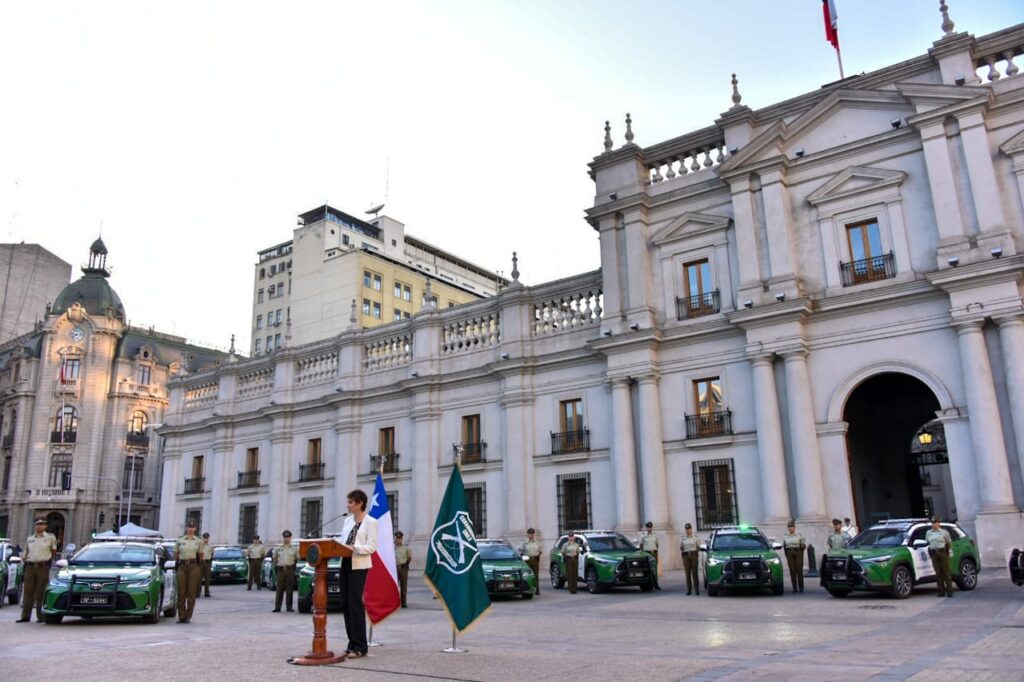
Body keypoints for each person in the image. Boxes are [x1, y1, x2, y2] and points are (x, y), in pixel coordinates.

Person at [338, 488, 378, 659]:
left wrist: (354, 548)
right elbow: (341, 541)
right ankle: (351, 643)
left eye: (350, 502)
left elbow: (372, 546)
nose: (348, 505)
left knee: (355, 604)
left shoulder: (371, 522)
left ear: (360, 503)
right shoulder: (347, 521)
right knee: (346, 603)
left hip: (359, 564)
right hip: (345, 562)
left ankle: (361, 646)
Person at [17, 518, 57, 623]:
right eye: (37, 524)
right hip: (30, 567)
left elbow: (53, 551)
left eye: (41, 524)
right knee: (28, 592)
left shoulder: (50, 538)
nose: (39, 526)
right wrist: (24, 560)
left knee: (41, 592)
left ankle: (41, 616)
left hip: (43, 567)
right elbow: (25, 553)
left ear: (45, 526)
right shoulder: (30, 539)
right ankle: (25, 616)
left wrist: (46, 561)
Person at [174, 520, 204, 623]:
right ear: (186, 528)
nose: (191, 529)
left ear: (195, 529)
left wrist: (198, 567)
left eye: (193, 527)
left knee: (191, 592)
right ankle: (181, 616)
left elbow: (201, 555)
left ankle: (188, 616)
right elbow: (176, 553)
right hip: (182, 566)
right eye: (189, 527)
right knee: (181, 592)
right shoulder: (180, 540)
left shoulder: (199, 541)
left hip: (193, 566)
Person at [926, 517, 954, 598]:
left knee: (946, 572)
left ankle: (950, 590)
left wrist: (950, 551)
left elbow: (949, 542)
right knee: (938, 573)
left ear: (939, 523)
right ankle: (941, 591)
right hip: (934, 553)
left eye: (936, 522)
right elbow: (928, 542)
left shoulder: (944, 532)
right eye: (933, 523)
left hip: (942, 552)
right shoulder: (928, 532)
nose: (934, 524)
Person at [272, 530, 299, 612]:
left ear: (290, 538)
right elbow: (275, 559)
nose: (286, 539)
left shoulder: (294, 549)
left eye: (287, 537)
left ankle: (289, 606)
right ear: (283, 538)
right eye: (285, 537)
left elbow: (297, 559)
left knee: (289, 589)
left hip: (290, 570)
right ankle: (277, 607)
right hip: (280, 570)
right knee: (279, 589)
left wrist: (292, 567)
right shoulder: (278, 549)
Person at [782, 520, 806, 593]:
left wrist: (800, 553)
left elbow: (803, 546)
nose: (790, 528)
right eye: (789, 527)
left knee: (799, 571)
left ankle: (801, 588)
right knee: (792, 571)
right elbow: (784, 546)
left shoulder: (799, 535)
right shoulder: (785, 536)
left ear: (794, 528)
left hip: (798, 552)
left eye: (792, 527)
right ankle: (794, 588)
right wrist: (787, 554)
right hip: (789, 552)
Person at [518, 528, 543, 595]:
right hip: (527, 560)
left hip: (535, 560)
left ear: (534, 534)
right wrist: (523, 556)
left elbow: (540, 550)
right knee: (527, 575)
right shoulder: (524, 542)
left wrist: (538, 556)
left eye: (532, 534)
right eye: (530, 534)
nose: (531, 535)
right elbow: (519, 549)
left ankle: (537, 590)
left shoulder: (537, 542)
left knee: (536, 575)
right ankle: (527, 589)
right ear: (528, 534)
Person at [679, 523, 700, 596]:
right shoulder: (683, 538)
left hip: (694, 556)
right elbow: (681, 547)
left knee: (695, 574)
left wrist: (695, 554)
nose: (688, 530)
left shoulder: (695, 538)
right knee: (687, 574)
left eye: (689, 529)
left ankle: (697, 590)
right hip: (685, 556)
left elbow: (698, 547)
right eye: (686, 529)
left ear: (691, 529)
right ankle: (689, 590)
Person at [639, 521, 661, 590]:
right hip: (647, 554)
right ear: (646, 528)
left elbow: (657, 544)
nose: (649, 529)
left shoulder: (655, 535)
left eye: (650, 527)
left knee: (655, 569)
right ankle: (649, 583)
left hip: (654, 553)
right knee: (648, 569)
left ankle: (656, 584)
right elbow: (641, 545)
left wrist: (653, 550)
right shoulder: (643, 536)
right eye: (648, 527)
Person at [394, 531, 411, 608]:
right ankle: (395, 602)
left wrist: (406, 565)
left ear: (402, 539)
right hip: (394, 569)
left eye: (400, 538)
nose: (398, 540)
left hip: (403, 568)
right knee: (394, 586)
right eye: (397, 538)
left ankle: (403, 603)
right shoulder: (392, 548)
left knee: (404, 586)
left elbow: (409, 557)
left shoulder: (406, 548)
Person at [198, 532, 214, 598]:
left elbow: (212, 554)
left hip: (207, 563)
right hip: (201, 563)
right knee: (199, 579)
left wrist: (210, 562)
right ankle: (197, 593)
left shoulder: (210, 546)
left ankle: (207, 593)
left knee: (207, 579)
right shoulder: (200, 546)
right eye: (204, 538)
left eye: (207, 538)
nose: (206, 539)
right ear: (202, 538)